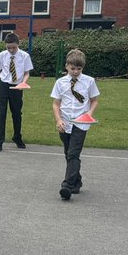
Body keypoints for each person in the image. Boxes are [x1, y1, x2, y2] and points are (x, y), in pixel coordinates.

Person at [50, 48, 100, 200]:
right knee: (68, 153)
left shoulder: (89, 81)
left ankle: (67, 186)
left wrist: (89, 114)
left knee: (73, 153)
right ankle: (77, 182)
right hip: (65, 122)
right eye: (73, 68)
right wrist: (58, 120)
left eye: (79, 69)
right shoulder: (60, 83)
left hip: (81, 123)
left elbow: (94, 100)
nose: (76, 71)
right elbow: (56, 104)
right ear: (67, 66)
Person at [0, 32, 33, 151]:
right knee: (1, 113)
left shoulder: (24, 56)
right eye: (8, 47)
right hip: (3, 85)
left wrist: (23, 83)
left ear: (18, 45)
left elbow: (27, 73)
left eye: (13, 47)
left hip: (17, 86)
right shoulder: (2, 55)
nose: (11, 50)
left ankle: (17, 137)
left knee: (17, 113)